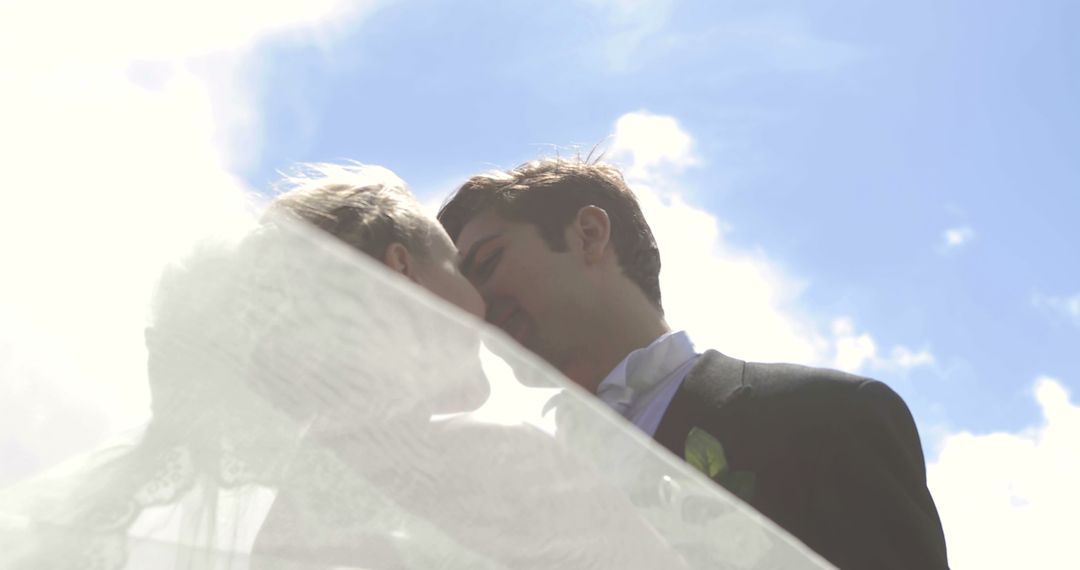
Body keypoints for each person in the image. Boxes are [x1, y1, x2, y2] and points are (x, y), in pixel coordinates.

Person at [438, 158, 951, 569]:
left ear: (590, 233)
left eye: (486, 264)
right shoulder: (513, 501)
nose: (478, 307)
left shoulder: (829, 418)